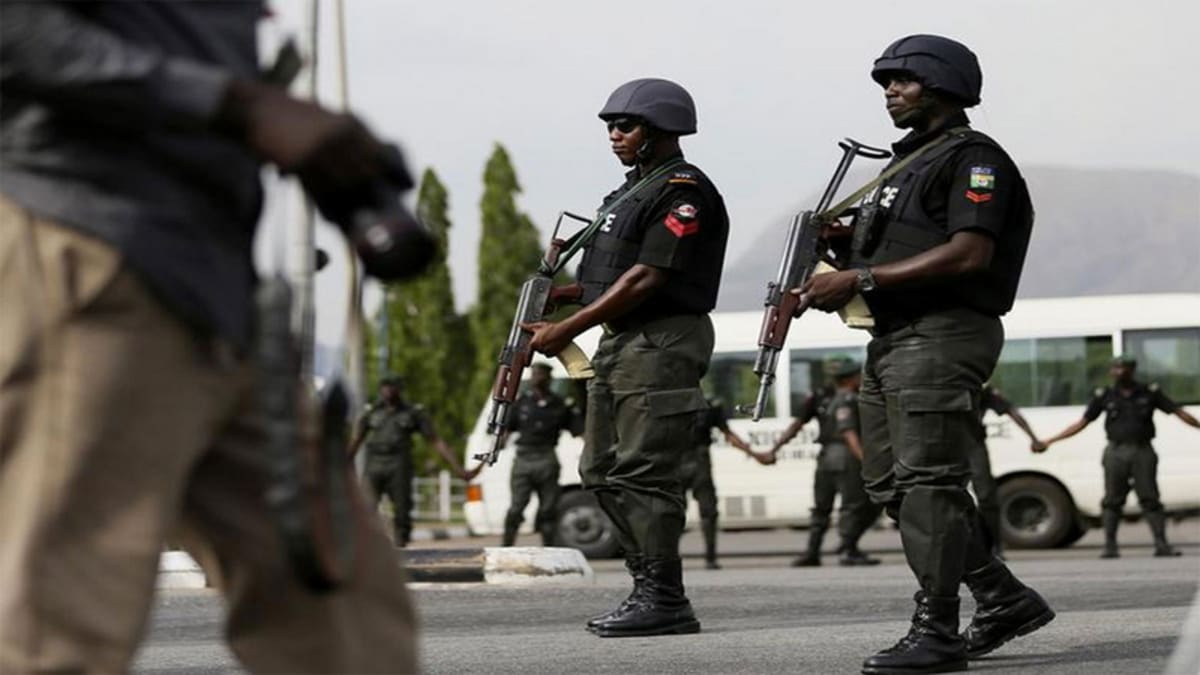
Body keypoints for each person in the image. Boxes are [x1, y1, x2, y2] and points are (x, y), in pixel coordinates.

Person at [0, 3, 423, 672]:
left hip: (217, 290)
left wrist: (318, 152)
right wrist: (240, 105)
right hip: (90, 256)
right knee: (57, 632)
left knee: (342, 603)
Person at [796, 35, 1054, 672]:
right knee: (890, 484)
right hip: (893, 339)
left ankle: (937, 627)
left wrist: (857, 278)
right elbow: (897, 250)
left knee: (928, 483)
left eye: (903, 81)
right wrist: (841, 247)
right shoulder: (905, 167)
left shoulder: (974, 159)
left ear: (942, 86)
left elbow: (970, 254)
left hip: (942, 333)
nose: (890, 92)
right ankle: (1000, 596)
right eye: (886, 82)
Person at [523, 78, 729, 637]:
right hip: (622, 341)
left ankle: (664, 597)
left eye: (625, 125)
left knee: (644, 471)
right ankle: (647, 585)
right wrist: (566, 296)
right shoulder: (628, 194)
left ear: (661, 130)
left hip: (661, 341)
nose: (614, 135)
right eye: (610, 126)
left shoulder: (682, 191)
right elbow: (614, 277)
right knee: (599, 469)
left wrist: (569, 327)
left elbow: (647, 277)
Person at [1041, 355, 1200, 558]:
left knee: (1150, 498)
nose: (1118, 372)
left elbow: (1178, 412)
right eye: (1115, 368)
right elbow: (1082, 423)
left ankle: (1161, 545)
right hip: (1115, 452)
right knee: (1112, 500)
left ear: (1132, 370)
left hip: (1142, 451)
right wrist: (1050, 441)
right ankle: (1110, 546)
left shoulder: (1149, 392)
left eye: (1122, 368)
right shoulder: (1105, 395)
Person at [765, 358, 883, 567]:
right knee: (854, 505)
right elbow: (848, 432)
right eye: (859, 375)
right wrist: (866, 461)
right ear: (851, 378)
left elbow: (797, 424)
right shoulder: (850, 398)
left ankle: (813, 551)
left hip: (825, 457)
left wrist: (774, 449)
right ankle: (848, 549)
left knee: (821, 507)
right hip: (847, 456)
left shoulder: (822, 396)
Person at [348, 376, 476, 548]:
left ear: (399, 389)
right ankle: (365, 549)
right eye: (384, 386)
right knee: (365, 507)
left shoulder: (412, 413)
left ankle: (401, 549)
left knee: (402, 511)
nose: (387, 390)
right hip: (375, 463)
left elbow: (436, 441)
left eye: (391, 386)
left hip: (399, 464)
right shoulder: (371, 412)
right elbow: (355, 441)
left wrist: (458, 468)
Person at [499, 362, 582, 547]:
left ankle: (549, 548)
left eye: (540, 374)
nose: (536, 378)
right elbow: (507, 430)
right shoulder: (521, 403)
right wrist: (496, 446)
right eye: (534, 374)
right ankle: (506, 546)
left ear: (549, 378)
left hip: (546, 458)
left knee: (548, 509)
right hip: (524, 458)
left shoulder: (559, 404)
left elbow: (578, 430)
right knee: (516, 507)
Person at [970, 384, 1046, 557]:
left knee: (986, 496)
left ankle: (994, 546)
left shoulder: (977, 386)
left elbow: (1011, 411)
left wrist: (1033, 438)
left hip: (972, 444)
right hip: (944, 443)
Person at [684, 398, 758, 569]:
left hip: (687, 461)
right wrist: (754, 454)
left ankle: (666, 560)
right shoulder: (708, 405)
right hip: (692, 461)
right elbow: (728, 434)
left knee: (702, 512)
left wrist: (752, 453)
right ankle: (707, 558)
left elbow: (728, 434)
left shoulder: (675, 400)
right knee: (702, 512)